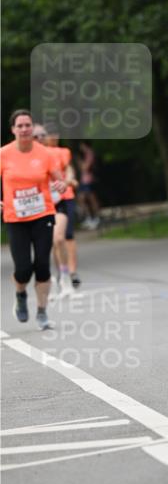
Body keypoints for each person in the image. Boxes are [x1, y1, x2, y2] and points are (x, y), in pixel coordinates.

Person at [0, 110, 66, 329]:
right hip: (15, 217)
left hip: (42, 214)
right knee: (23, 269)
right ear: (13, 130)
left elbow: (60, 180)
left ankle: (42, 312)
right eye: (20, 126)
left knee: (42, 265)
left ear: (32, 127)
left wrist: (61, 184)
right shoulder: (4, 154)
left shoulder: (45, 153)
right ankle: (20, 295)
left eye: (27, 125)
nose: (25, 129)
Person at [33, 124, 80, 293]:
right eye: (48, 134)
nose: (52, 137)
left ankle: (71, 272)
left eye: (55, 133)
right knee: (52, 240)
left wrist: (69, 181)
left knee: (65, 237)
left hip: (63, 198)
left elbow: (68, 170)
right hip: (43, 202)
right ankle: (61, 272)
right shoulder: (32, 155)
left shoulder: (60, 152)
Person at [76, 141, 101, 228]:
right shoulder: (85, 155)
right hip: (84, 180)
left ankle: (96, 218)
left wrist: (80, 163)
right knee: (82, 198)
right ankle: (89, 217)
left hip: (89, 180)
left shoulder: (89, 153)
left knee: (91, 199)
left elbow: (84, 167)